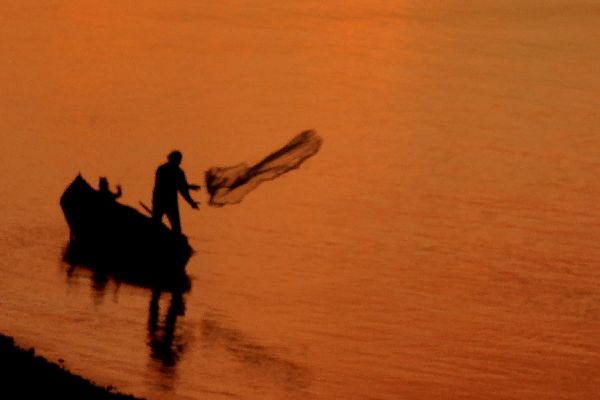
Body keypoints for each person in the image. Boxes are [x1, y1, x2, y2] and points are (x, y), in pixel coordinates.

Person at [152, 150, 199, 234]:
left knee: (160, 223)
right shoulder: (169, 170)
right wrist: (189, 188)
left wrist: (191, 201)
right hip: (166, 201)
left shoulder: (163, 169)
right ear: (173, 159)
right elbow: (176, 186)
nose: (180, 162)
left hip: (162, 200)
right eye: (178, 160)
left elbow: (182, 189)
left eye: (180, 160)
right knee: (172, 226)